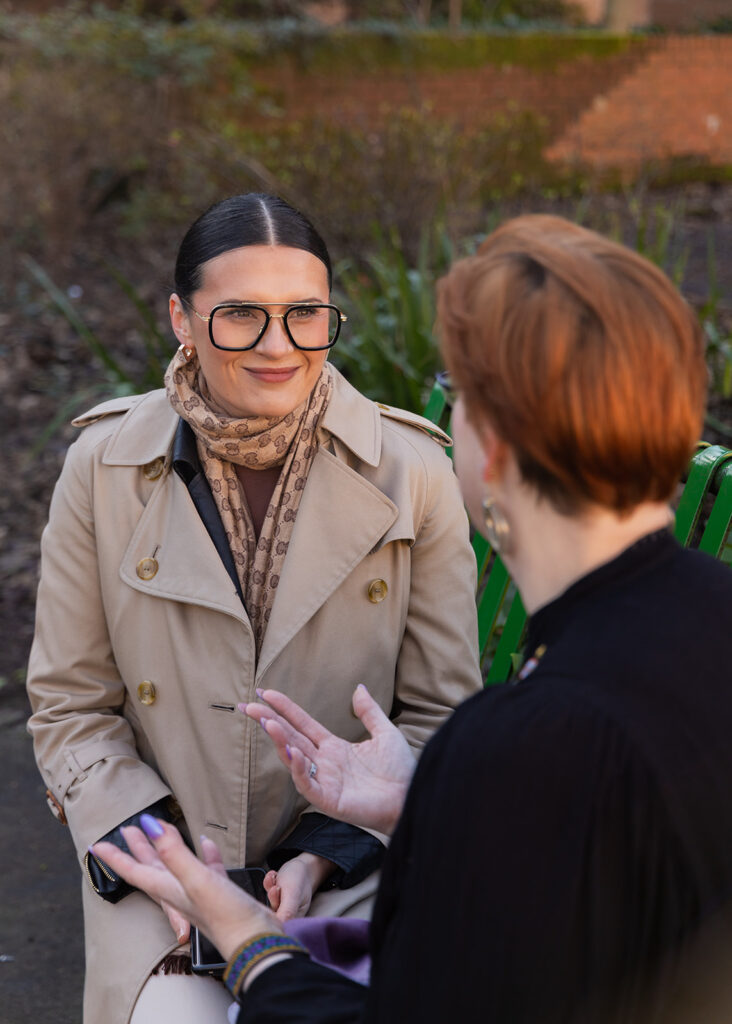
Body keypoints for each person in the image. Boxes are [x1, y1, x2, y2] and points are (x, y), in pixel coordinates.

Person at [95, 213, 732, 1024]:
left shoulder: (527, 732)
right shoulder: (708, 614)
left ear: (492, 451)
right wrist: (432, 797)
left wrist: (250, 939)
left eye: (460, 398)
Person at [26, 193, 482, 1024]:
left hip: (353, 860)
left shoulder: (413, 470)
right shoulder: (102, 466)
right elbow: (70, 708)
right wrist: (165, 861)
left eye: (305, 314)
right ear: (182, 318)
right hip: (158, 862)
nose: (279, 347)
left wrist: (321, 856)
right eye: (241, 316)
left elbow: (438, 717)